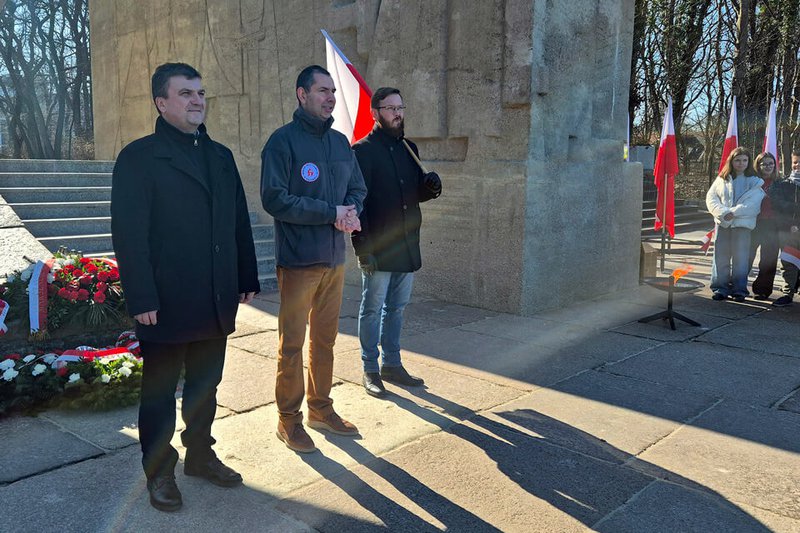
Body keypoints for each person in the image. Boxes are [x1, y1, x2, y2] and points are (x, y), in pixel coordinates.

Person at [111, 63, 260, 512]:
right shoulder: (139, 158)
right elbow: (129, 235)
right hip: (165, 300)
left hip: (214, 296)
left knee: (205, 385)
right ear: (161, 103)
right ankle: (159, 471)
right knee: (159, 393)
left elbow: (238, 220)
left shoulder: (221, 156)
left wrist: (246, 275)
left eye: (200, 92)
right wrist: (141, 296)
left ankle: (200, 455)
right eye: (185, 93)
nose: (197, 100)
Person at [260, 65, 367, 453]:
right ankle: (288, 419)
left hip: (334, 260)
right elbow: (275, 199)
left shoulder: (340, 143)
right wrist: (330, 212)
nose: (331, 98)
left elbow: (357, 188)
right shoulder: (282, 143)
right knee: (292, 344)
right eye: (323, 91)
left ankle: (320, 408)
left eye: (333, 91)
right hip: (299, 261)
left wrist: (351, 211)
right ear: (302, 94)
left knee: (325, 340)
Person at [351, 87, 442, 398]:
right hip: (378, 245)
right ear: (375, 113)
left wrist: (430, 188)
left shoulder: (408, 148)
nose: (397, 113)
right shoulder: (362, 151)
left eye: (400, 107)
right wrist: (362, 249)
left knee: (397, 308)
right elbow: (358, 204)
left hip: (406, 242)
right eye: (390, 108)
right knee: (372, 308)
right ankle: (370, 368)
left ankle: (392, 364)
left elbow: (411, 195)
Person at [705, 147, 765, 302]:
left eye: (744, 160)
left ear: (749, 162)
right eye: (737, 160)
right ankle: (720, 288)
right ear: (731, 161)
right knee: (720, 257)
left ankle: (739, 290)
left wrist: (733, 213)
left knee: (741, 259)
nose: (741, 163)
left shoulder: (754, 181)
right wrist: (723, 213)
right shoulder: (722, 179)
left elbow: (753, 204)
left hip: (742, 226)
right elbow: (711, 198)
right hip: (723, 224)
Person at [769, 149, 800, 306]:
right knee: (788, 261)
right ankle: (788, 292)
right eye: (795, 162)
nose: (797, 165)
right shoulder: (782, 184)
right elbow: (777, 203)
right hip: (787, 230)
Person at [749, 152, 781, 300]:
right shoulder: (752, 182)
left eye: (771, 164)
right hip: (754, 223)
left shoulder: (780, 183)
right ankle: (737, 286)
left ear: (775, 165)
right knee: (746, 256)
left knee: (769, 259)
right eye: (764, 164)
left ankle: (762, 289)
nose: (768, 166)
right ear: (758, 166)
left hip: (772, 225)